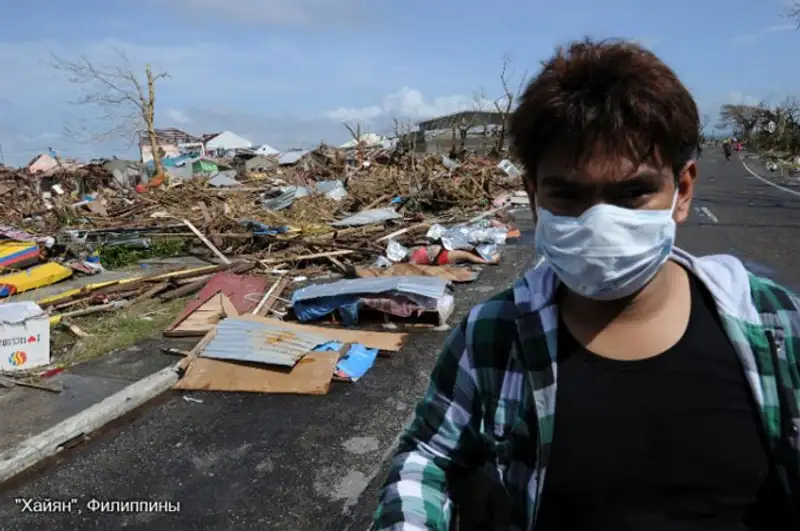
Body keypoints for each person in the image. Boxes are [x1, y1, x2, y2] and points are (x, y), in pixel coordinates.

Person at [373, 38, 800, 531]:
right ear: (534, 197)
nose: (600, 224)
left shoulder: (775, 326)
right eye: (569, 195)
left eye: (632, 192)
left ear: (681, 192)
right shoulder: (495, 336)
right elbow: (427, 461)